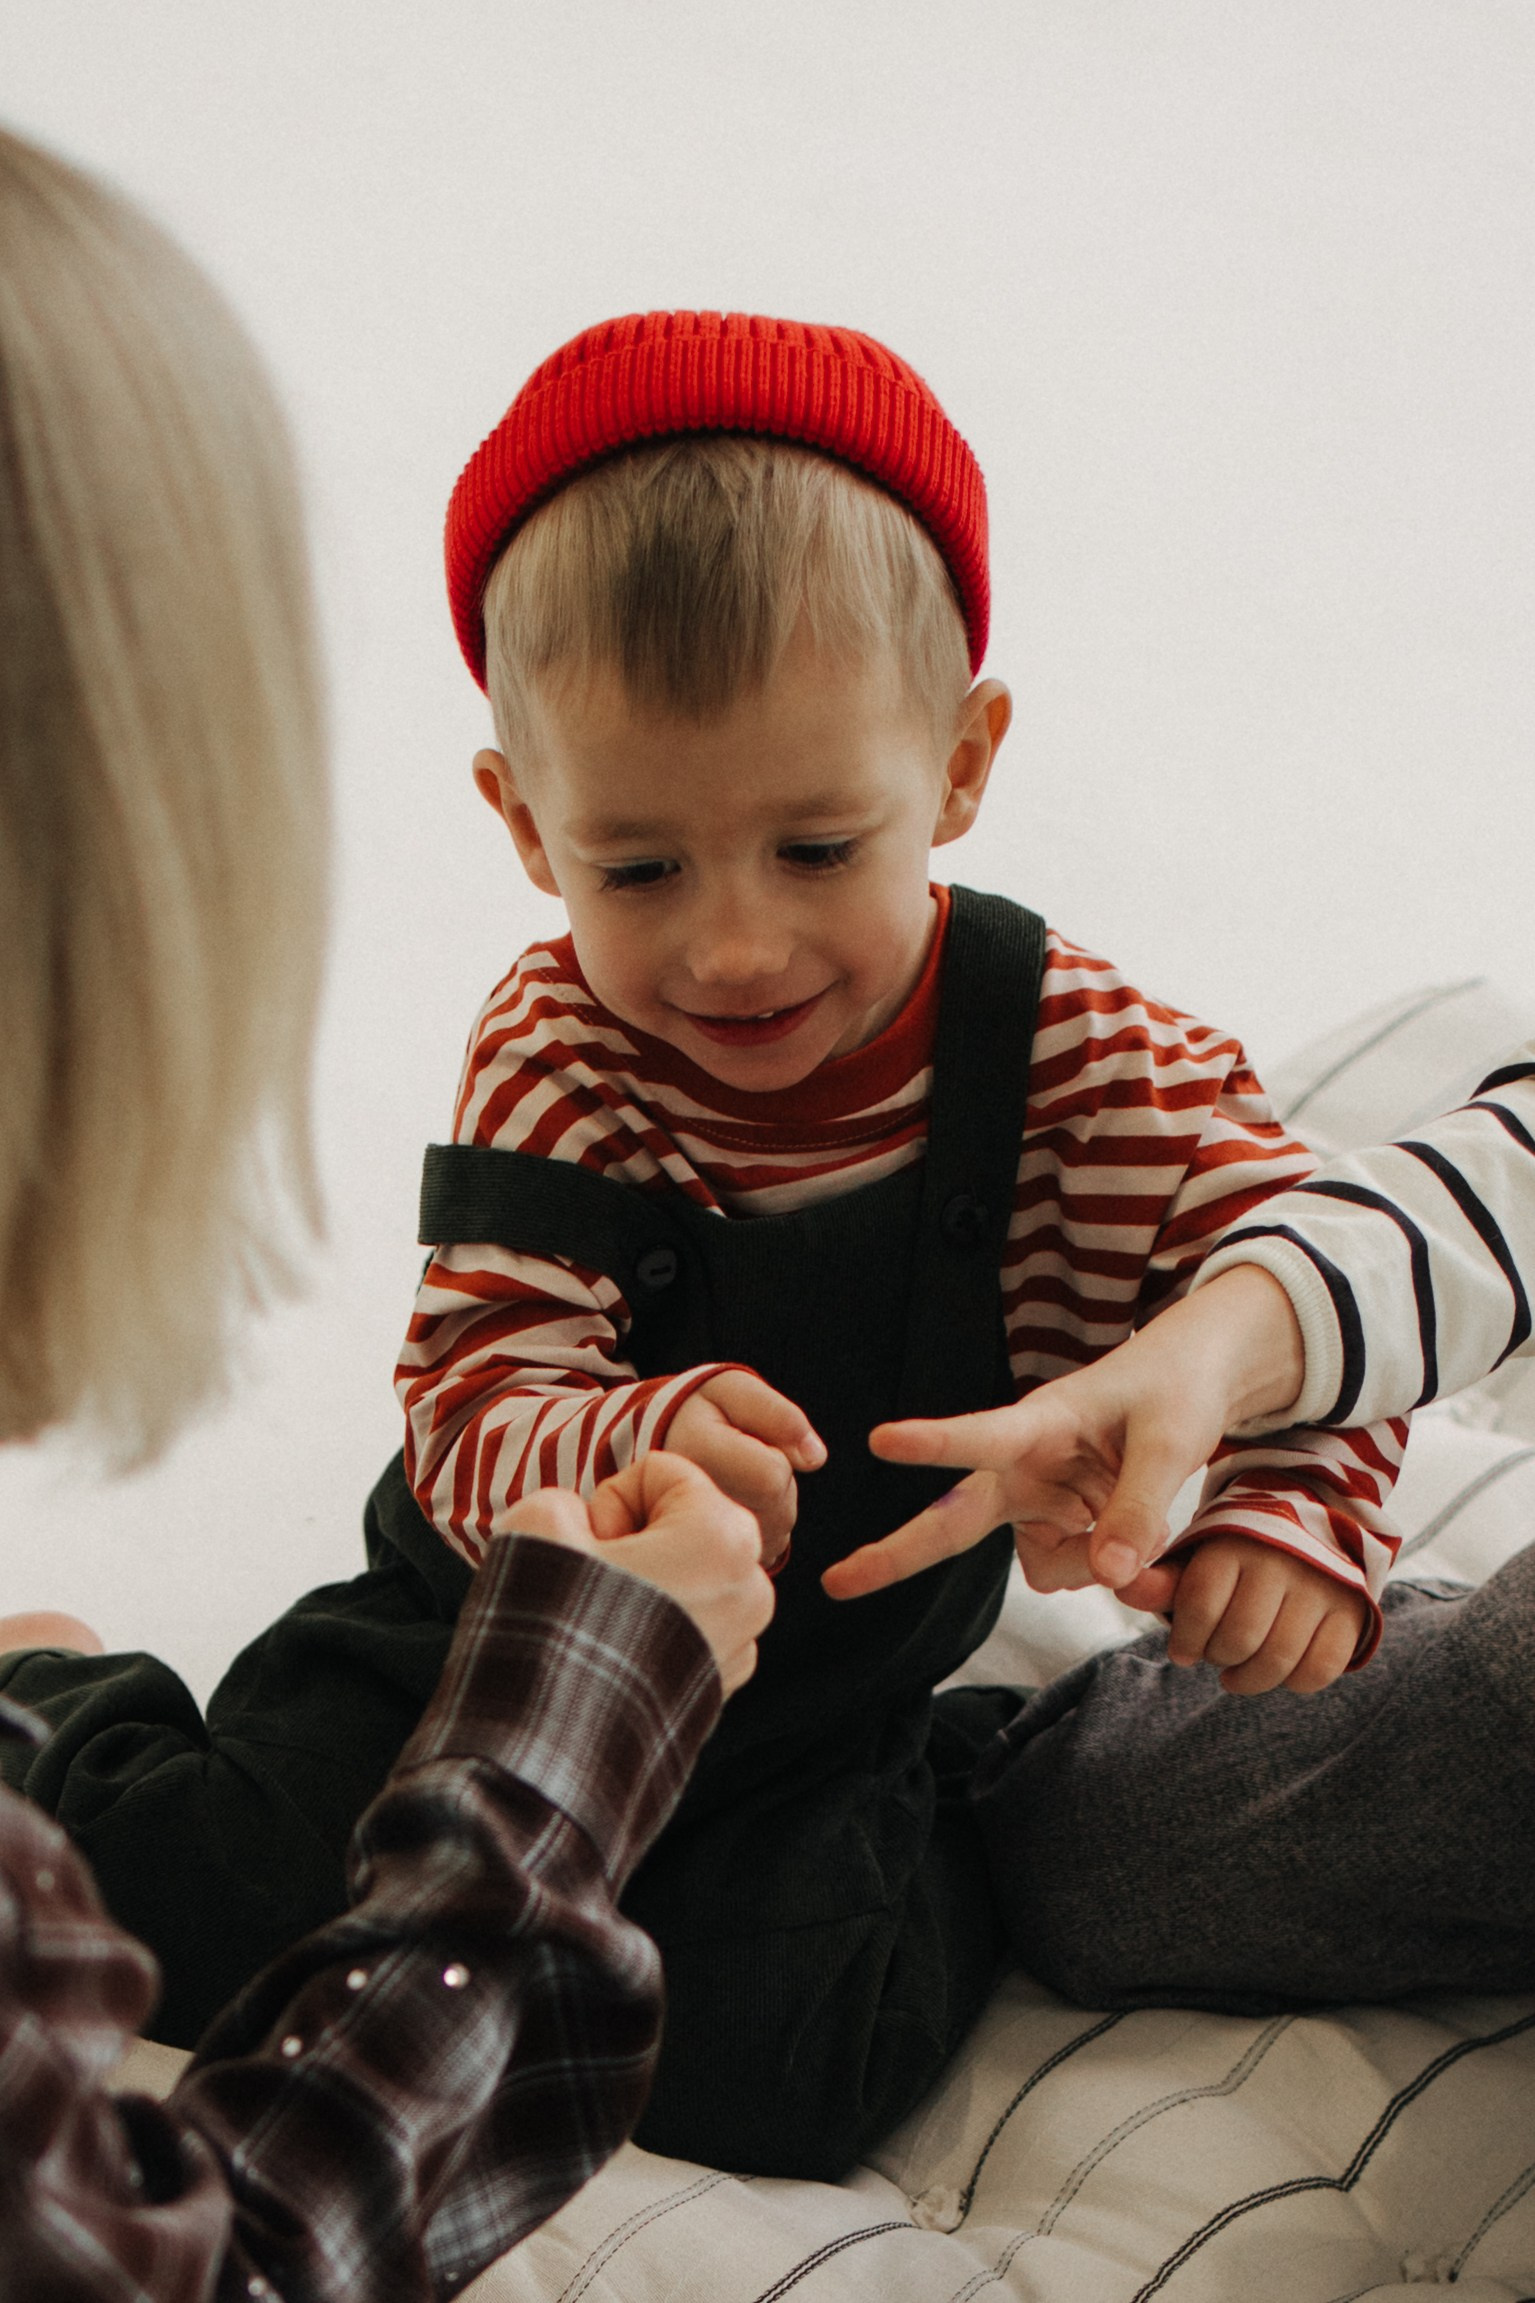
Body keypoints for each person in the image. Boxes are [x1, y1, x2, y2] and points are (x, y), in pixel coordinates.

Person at [0, 133, 771, 2301]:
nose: (731, 950)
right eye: (640, 870)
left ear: (964, 776)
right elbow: (476, 1386)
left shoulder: (1049, 1029)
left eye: (817, 850)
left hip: (773, 1665)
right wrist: (586, 1611)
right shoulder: (539, 1051)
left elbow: (1214, 1239)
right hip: (501, 1606)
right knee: (241, 1854)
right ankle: (69, 1707)